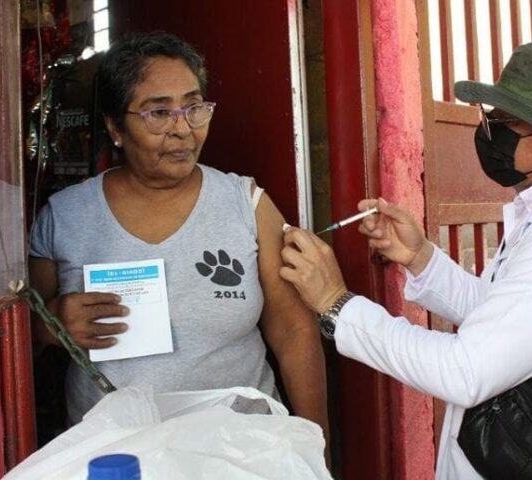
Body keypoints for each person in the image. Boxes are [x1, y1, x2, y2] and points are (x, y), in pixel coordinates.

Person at [280, 42, 532, 479]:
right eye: (490, 115)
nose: (488, 131)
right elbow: (502, 313)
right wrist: (421, 257)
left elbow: (466, 370)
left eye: (507, 122)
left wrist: (336, 304)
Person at [28, 32, 329, 447]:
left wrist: (316, 445)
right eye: (158, 113)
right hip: (117, 454)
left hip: (240, 449)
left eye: (194, 107)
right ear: (116, 126)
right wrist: (50, 323)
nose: (182, 129)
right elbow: (18, 341)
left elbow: (294, 329)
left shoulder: (246, 202)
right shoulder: (64, 217)